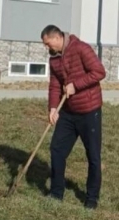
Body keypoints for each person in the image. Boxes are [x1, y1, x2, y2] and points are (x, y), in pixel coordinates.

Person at [41, 24, 106, 209]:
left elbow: (100, 72)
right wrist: (53, 108)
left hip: (89, 111)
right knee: (57, 150)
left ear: (56, 38)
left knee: (93, 156)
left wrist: (75, 86)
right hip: (68, 113)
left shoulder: (81, 48)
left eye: (47, 44)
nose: (47, 48)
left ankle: (91, 199)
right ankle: (56, 193)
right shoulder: (54, 59)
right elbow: (54, 85)